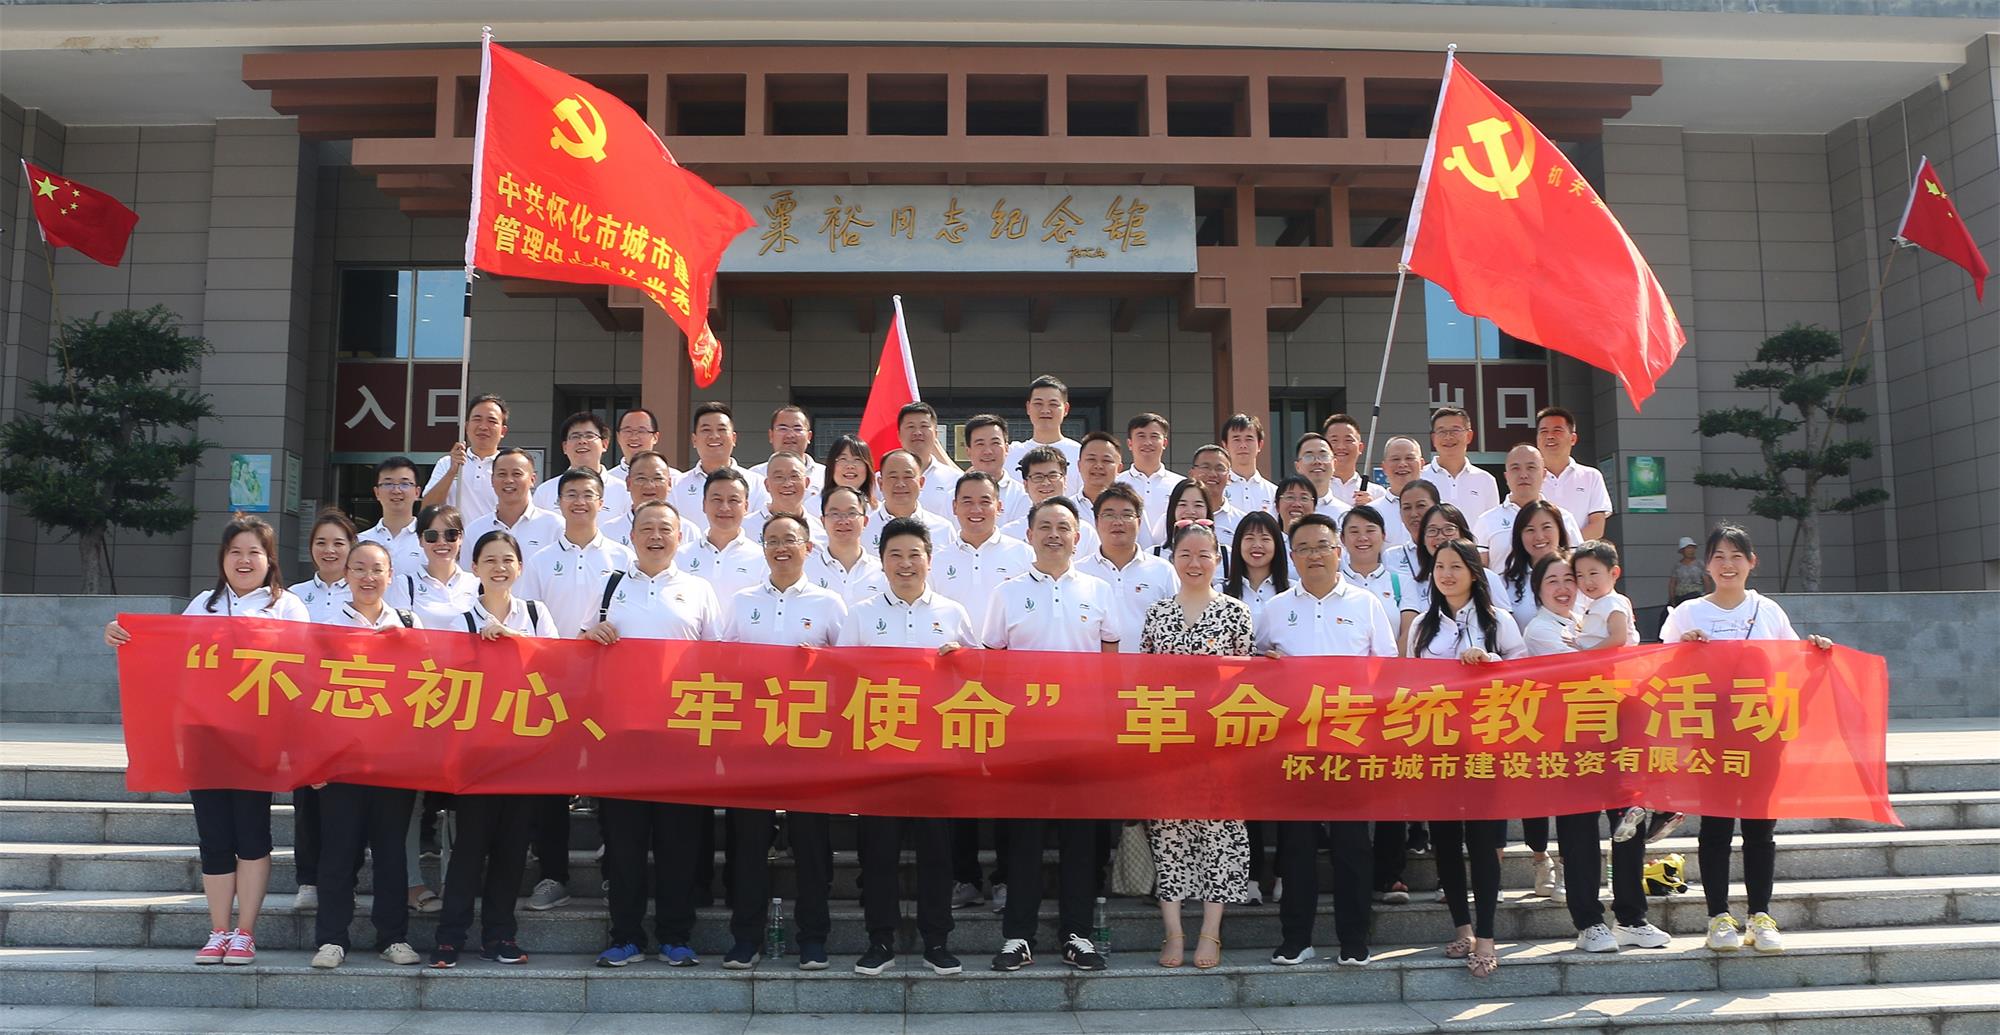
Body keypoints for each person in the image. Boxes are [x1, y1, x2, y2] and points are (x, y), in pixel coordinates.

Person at [103, 514, 309, 966]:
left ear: (270, 560)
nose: (244, 560)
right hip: (206, 736)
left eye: (254, 552)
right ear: (222, 559)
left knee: (252, 835)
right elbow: (171, 656)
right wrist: (125, 637)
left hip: (257, 738)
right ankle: (218, 930)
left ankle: (245, 933)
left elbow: (303, 670)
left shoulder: (288, 608)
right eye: (235, 551)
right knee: (214, 836)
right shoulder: (203, 605)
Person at [1662, 524, 1835, 955]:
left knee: (1760, 828)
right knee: (1716, 828)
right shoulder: (1687, 613)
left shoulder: (1769, 611)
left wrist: (1816, 652)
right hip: (1710, 735)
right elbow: (1660, 670)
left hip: (1762, 731)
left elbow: (1792, 664)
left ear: (1752, 562)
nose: (1727, 564)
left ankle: (1760, 915)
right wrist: (1683, 647)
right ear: (1706, 564)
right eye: (1719, 556)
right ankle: (1718, 918)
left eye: (1736, 556)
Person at [580, 500, 720, 968]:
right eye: (646, 528)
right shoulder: (610, 586)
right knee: (624, 843)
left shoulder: (698, 589)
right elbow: (577, 651)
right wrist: (591, 636)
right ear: (632, 536)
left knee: (679, 842)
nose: (656, 536)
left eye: (665, 528)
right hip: (621, 737)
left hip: (680, 736)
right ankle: (626, 936)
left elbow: (717, 661)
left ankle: (676, 935)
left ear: (680, 537)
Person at [982, 496, 1118, 973]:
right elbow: (992, 665)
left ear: (1078, 537)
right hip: (1025, 740)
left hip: (1082, 737)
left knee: (1080, 841)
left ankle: (1076, 934)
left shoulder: (1099, 590)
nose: (1054, 534)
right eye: (1045, 526)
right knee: (1024, 841)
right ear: (1029, 535)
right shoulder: (1007, 593)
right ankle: (1018, 936)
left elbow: (1110, 664)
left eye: (1063, 527)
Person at [1257, 513, 1396, 969]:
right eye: (1304, 548)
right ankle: (1296, 938)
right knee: (1295, 845)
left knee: (1352, 846)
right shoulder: (1275, 608)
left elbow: (1387, 668)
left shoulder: (1366, 603)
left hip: (1350, 742)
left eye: (1322, 546)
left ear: (1339, 551)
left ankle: (1354, 939)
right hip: (1293, 744)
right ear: (1292, 556)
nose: (1314, 555)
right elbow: (1258, 665)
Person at [839, 517, 972, 977]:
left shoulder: (953, 613)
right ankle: (880, 940)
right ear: (881, 562)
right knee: (878, 852)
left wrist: (960, 660)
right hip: (880, 750)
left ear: (930, 561)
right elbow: (842, 679)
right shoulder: (861, 614)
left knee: (938, 852)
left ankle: (937, 940)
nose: (905, 563)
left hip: (937, 753)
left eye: (914, 554)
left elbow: (979, 680)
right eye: (895, 554)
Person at [1527, 554, 1675, 956]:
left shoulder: (1592, 617)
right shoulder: (1541, 629)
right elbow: (1585, 669)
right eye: (1553, 581)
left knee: (1629, 823)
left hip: (1618, 733)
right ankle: (1589, 923)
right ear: (1538, 589)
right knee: (1579, 833)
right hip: (1572, 738)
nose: (1564, 588)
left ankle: (1631, 918)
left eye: (1570, 579)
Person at [718, 512, 848, 970]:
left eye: (789, 540)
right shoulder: (741, 602)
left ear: (808, 548)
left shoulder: (829, 603)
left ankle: (813, 938)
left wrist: (823, 663)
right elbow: (722, 663)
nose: (781, 548)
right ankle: (745, 938)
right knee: (749, 843)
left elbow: (852, 668)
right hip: (753, 739)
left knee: (811, 844)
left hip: (810, 740)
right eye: (772, 540)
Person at [430, 530, 559, 969]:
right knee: (470, 847)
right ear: (474, 568)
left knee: (512, 848)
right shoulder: (461, 620)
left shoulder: (537, 614)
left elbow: (557, 668)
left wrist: (515, 641)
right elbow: (446, 684)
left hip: (524, 753)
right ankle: (449, 937)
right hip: (478, 754)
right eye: (489, 560)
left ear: (520, 567)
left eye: (507, 560)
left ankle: (500, 935)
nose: (499, 568)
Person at [1406, 538, 1526, 978]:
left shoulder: (1499, 621)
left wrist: (1489, 662)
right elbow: (1409, 681)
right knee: (1445, 842)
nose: (1447, 574)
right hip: (1438, 745)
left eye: (1456, 566)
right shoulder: (1422, 626)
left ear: (1474, 573)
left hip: (1485, 746)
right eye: (1440, 566)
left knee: (1482, 842)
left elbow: (1524, 676)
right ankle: (1463, 928)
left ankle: (1488, 936)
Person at [518, 467, 635, 912]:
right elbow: (527, 622)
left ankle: (613, 873)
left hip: (609, 687)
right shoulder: (540, 560)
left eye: (588, 494)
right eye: (571, 494)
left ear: (602, 503)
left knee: (609, 782)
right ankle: (553, 874)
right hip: (552, 684)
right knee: (551, 786)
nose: (580, 501)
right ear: (558, 501)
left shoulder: (624, 558)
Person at [1142, 521, 1255, 970]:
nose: (1194, 563)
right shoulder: (1157, 614)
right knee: (1169, 835)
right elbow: (1145, 680)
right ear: (1173, 559)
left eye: (1203, 555)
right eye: (1185, 554)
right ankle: (1173, 931)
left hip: (1220, 743)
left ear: (1218, 560)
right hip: (1168, 740)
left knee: (1220, 836)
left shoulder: (1236, 613)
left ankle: (1211, 932)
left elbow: (1248, 680)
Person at [308, 541, 423, 970]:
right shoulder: (325, 626)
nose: (368, 577)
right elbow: (309, 694)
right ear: (346, 575)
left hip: (393, 760)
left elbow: (427, 686)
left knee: (392, 853)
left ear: (391, 576)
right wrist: (314, 759)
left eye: (377, 569)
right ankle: (332, 939)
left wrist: (408, 647)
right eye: (359, 568)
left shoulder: (409, 623)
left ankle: (393, 937)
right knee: (338, 852)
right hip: (340, 760)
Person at [930, 471, 1035, 911]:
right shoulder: (936, 557)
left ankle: (1007, 877)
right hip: (952, 686)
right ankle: (965, 877)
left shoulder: (1021, 553)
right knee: (960, 786)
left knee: (1007, 785)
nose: (976, 509)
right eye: (967, 501)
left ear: (999, 506)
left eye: (985, 501)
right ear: (954, 507)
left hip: (1008, 684)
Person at [1076, 482, 1177, 653]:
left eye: (1126, 515)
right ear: (1096, 522)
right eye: (1109, 515)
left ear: (1139, 522)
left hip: (1149, 667)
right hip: (1094, 667)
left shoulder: (1163, 571)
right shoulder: (1079, 572)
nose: (1118, 522)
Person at [1472, 444, 1581, 568]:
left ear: (1544, 474)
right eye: (1515, 468)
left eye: (1531, 467)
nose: (1523, 475)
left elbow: (1576, 566)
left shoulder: (1564, 518)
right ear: (1506, 477)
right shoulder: (1486, 521)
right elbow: (1479, 571)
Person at [671, 402, 767, 536]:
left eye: (721, 429)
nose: (714, 436)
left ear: (734, 438)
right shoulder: (675, 486)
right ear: (694, 440)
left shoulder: (757, 484)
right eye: (706, 430)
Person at [457, 448, 561, 570]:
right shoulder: (474, 530)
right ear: (492, 480)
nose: (509, 480)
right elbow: (468, 577)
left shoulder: (555, 526)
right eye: (502, 474)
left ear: (532, 480)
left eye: (517, 474)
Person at [679, 467, 769, 603]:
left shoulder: (762, 559)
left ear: (746, 506)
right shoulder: (681, 556)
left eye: (733, 500)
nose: (725, 508)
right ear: (704, 504)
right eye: (717, 499)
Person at [422, 393, 509, 525]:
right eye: (477, 419)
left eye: (491, 421)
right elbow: (427, 509)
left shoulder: (508, 468)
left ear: (503, 431)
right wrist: (452, 472)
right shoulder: (446, 463)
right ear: (467, 426)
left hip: (495, 537)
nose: (483, 427)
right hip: (455, 537)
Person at [1002, 446, 1101, 556]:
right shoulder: (1009, 534)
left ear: (1065, 481)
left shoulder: (1086, 532)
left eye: (1053, 476)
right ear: (1025, 485)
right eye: (1038, 477)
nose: (1046, 483)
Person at [532, 411, 631, 516]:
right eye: (575, 436)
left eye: (589, 436)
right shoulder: (545, 491)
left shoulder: (624, 491)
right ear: (565, 447)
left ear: (604, 444)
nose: (582, 441)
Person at [1536, 406, 1612, 541]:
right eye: (1544, 431)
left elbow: (1597, 527)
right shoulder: (1530, 478)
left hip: (1579, 553)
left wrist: (1565, 546)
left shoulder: (1591, 476)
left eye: (1557, 430)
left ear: (1573, 439)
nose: (1550, 436)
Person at [1497, 500, 1575, 631]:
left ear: (1560, 530)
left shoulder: (1580, 574)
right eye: (1530, 530)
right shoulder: (1504, 584)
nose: (1539, 537)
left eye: (1546, 527)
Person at [807, 484, 889, 604]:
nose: (843, 521)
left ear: (865, 521)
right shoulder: (806, 571)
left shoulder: (884, 571)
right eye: (835, 514)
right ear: (823, 521)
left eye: (852, 513)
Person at [404, 504, 481, 629]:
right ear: (420, 540)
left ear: (460, 538)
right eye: (432, 535)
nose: (441, 542)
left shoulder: (478, 584)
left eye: (451, 534)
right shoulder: (404, 585)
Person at [1003, 374, 1082, 495]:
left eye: (1053, 404)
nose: (1045, 410)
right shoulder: (1010, 454)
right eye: (1038, 404)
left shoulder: (1080, 454)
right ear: (1028, 407)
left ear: (1066, 409)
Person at [867, 449, 954, 553]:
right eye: (893, 477)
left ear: (921, 482)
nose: (900, 484)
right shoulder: (863, 528)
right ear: (880, 483)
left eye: (908, 477)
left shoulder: (943, 529)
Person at [1121, 413, 1187, 548]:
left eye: (1154, 436)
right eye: (1141, 436)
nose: (1147, 442)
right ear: (1130, 443)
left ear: (1165, 443)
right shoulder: (1116, 484)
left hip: (1171, 553)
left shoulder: (1180, 485)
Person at [1422, 405, 1500, 517]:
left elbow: (1492, 522)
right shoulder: (1420, 478)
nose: (1448, 437)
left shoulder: (1486, 480)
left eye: (1455, 430)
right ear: (1433, 438)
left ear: (1469, 436)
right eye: (1441, 431)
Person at [357, 455, 428, 577]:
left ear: (417, 492)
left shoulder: (430, 540)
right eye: (388, 484)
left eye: (404, 484)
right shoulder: (361, 540)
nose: (396, 490)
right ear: (377, 492)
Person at [744, 451, 829, 547]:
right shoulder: (745, 527)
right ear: (767, 485)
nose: (787, 484)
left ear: (806, 483)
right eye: (779, 477)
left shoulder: (822, 530)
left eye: (794, 476)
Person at [958, 414, 1033, 524]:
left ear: (1006, 449)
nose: (988, 451)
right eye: (980, 444)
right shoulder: (953, 495)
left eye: (995, 443)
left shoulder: (1022, 496)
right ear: (968, 452)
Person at [1155, 478, 1230, 582]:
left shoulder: (1227, 555)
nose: (1190, 511)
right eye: (1182, 505)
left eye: (1198, 505)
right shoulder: (1154, 555)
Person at [898, 401, 964, 518]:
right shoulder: (882, 480)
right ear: (899, 435)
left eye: (924, 426)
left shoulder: (955, 479)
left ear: (936, 434)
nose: (917, 432)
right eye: (911, 426)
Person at [1224, 510, 1289, 626]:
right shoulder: (1221, 593)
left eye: (1265, 539)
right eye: (1249, 538)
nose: (1257, 545)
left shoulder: (1293, 591)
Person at [292, 508, 355, 623]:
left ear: (351, 547)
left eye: (338, 543)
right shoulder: (294, 594)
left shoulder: (361, 594)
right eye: (321, 543)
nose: (329, 550)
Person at [602, 450, 674, 548]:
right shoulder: (608, 532)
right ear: (628, 483)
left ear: (669, 483)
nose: (649, 486)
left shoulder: (687, 530)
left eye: (657, 479)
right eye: (641, 478)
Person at [747, 405, 824, 496]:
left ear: (809, 436)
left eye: (797, 429)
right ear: (771, 435)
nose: (790, 435)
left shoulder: (825, 475)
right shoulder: (754, 475)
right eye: (783, 429)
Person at [1187, 444, 1250, 545]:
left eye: (1220, 468)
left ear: (1229, 478)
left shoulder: (1242, 522)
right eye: (1205, 467)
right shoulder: (1176, 517)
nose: (1212, 474)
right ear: (1191, 474)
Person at [1385, 478, 1441, 589]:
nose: (1414, 514)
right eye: (1407, 508)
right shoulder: (1391, 556)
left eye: (1421, 506)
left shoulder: (1455, 551)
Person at [1319, 414, 1386, 507]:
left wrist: (1373, 508)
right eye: (1334, 440)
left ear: (1360, 448)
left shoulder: (1377, 494)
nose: (1341, 447)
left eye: (1348, 440)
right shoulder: (1313, 491)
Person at [605, 406, 674, 496]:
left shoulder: (675, 479)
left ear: (655, 437)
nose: (634, 437)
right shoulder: (606, 481)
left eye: (641, 431)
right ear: (618, 437)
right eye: (628, 431)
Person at [1220, 413, 1277, 513]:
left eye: (1249, 439)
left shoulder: (1274, 492)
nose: (1243, 445)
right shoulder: (1218, 490)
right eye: (1236, 439)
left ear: (1260, 445)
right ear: (1225, 445)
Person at [1374, 436, 1424, 548]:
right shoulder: (1371, 512)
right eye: (1395, 459)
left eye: (1409, 458)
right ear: (1384, 467)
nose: (1402, 464)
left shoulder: (1438, 509)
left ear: (1422, 464)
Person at [1290, 433, 1351, 522]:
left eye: (1324, 456)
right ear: (1297, 466)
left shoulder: (1346, 514)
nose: (1317, 461)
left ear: (1334, 464)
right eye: (1309, 457)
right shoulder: (1287, 509)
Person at [1074, 431, 1124, 526]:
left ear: (1119, 468)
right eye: (1091, 459)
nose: (1098, 466)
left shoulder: (1130, 508)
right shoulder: (1066, 509)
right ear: (1079, 465)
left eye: (1106, 460)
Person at [826, 434, 878, 505]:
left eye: (857, 459)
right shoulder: (813, 506)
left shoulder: (877, 508)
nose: (850, 466)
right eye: (843, 459)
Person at [1665, 535, 1710, 609]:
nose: (1691, 550)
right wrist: (1672, 599)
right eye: (1688, 548)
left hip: (1696, 596)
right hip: (1680, 597)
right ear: (1682, 551)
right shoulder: (1677, 566)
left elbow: (1707, 581)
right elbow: (1672, 583)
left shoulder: (1700, 564)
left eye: (1692, 548)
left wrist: (1707, 596)